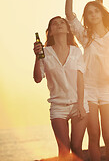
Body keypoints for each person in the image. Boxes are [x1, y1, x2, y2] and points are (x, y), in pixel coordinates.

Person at [65, 0, 109, 161]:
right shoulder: (85, 36)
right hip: (89, 91)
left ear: (102, 13)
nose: (93, 15)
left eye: (96, 11)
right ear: (87, 18)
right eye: (89, 13)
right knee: (94, 136)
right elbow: (69, 15)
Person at [33, 16, 88, 161]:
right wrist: (37, 57)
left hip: (78, 103)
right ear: (50, 32)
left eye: (62, 23)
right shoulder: (45, 53)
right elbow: (38, 78)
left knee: (76, 147)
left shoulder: (76, 51)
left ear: (68, 29)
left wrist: (81, 105)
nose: (59, 25)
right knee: (64, 150)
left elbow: (80, 80)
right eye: (54, 24)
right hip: (58, 106)